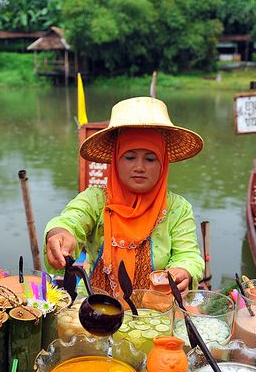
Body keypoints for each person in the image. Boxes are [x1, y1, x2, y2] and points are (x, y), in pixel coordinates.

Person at [44, 96, 204, 298]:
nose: (139, 167)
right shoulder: (95, 199)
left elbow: (188, 254)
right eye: (129, 157)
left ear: (163, 163)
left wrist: (184, 270)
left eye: (150, 158)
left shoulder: (178, 208)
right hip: (95, 303)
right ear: (115, 160)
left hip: (155, 308)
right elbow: (72, 219)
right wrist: (60, 234)